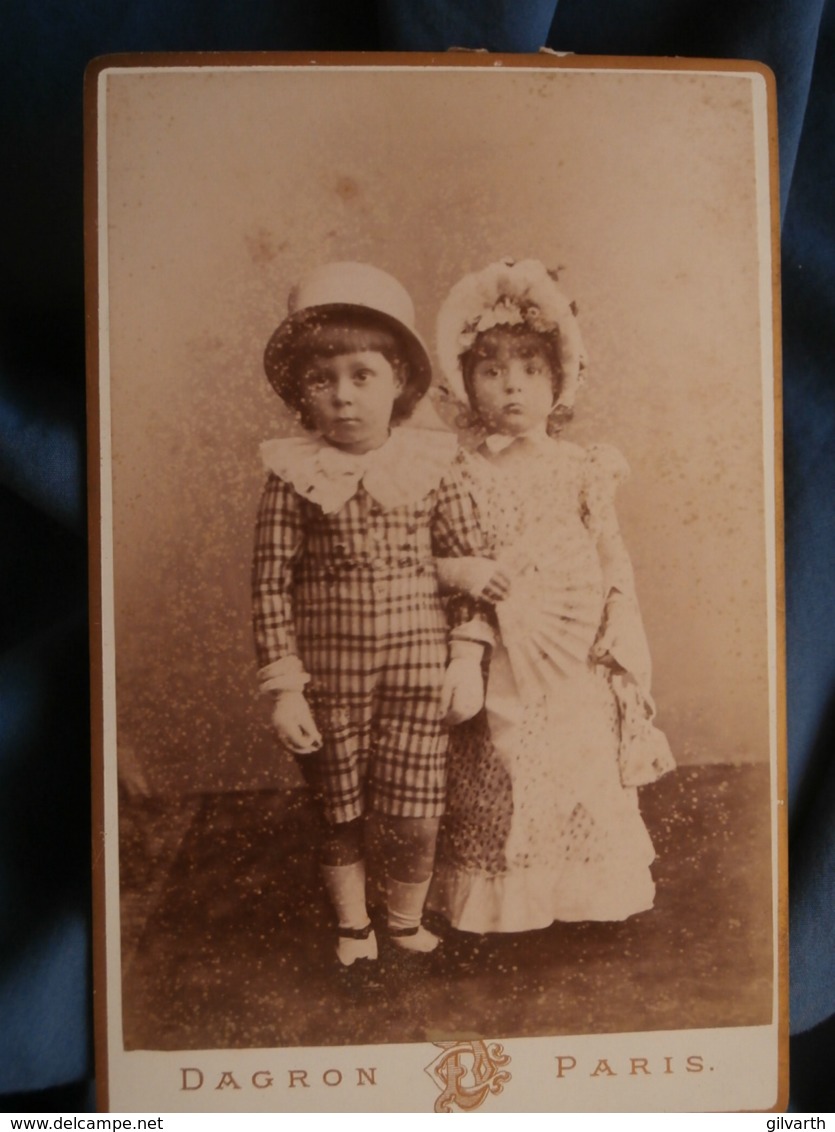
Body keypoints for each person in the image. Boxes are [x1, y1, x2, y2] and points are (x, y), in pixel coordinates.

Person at [252, 261, 491, 971]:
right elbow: (268, 585)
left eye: (362, 376)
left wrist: (467, 656)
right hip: (330, 682)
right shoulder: (292, 476)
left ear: (399, 383)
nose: (343, 397)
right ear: (302, 394)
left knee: (417, 807)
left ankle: (404, 919)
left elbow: (467, 564)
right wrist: (286, 687)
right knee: (338, 809)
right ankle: (354, 927)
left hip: (419, 676)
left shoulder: (433, 465)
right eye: (322, 380)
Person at [429, 258, 675, 935]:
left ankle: (583, 896)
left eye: (531, 369)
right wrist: (464, 575)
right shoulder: (456, 472)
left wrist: (615, 628)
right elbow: (429, 555)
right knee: (497, 764)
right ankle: (505, 905)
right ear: (463, 382)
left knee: (577, 759)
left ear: (559, 380)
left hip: (570, 655)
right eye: (491, 369)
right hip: (491, 648)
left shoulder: (581, 467)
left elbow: (606, 552)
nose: (511, 384)